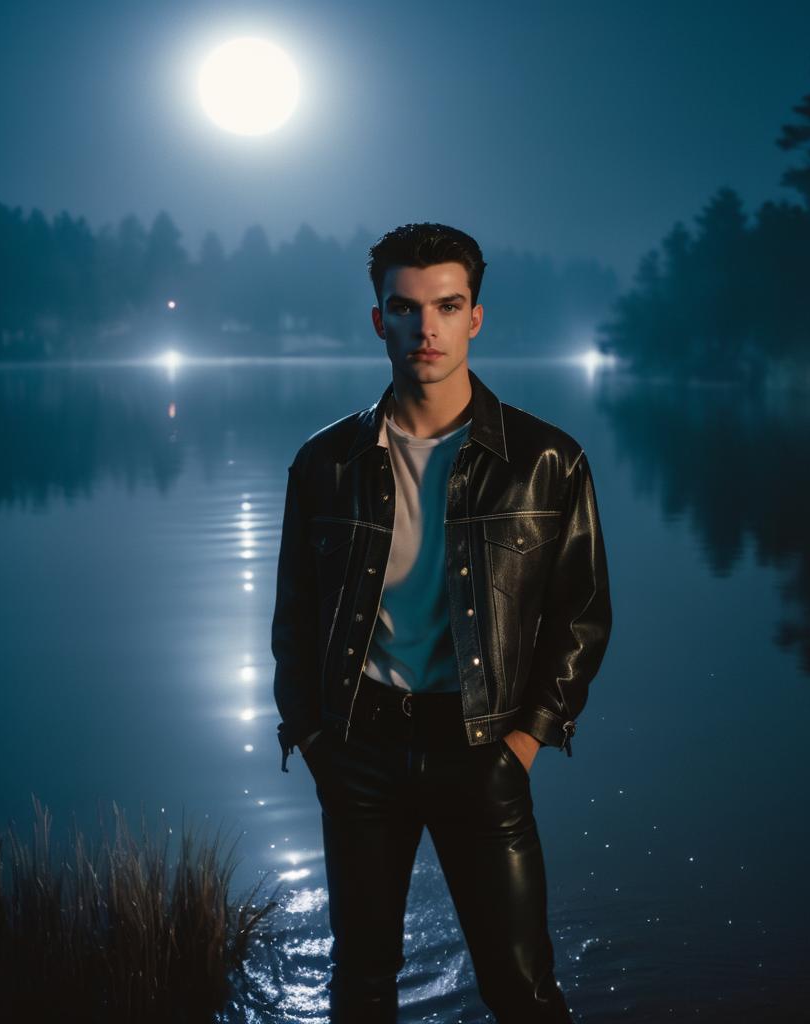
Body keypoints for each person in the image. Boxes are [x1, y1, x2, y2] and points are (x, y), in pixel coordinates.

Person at [271, 222, 612, 1023]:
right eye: (406, 307)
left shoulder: (546, 459)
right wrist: (315, 741)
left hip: (483, 750)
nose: (426, 327)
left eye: (447, 306)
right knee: (359, 987)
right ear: (378, 319)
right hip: (359, 751)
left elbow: (582, 617)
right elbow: (295, 620)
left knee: (522, 990)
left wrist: (525, 740)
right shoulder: (325, 463)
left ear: (475, 318)